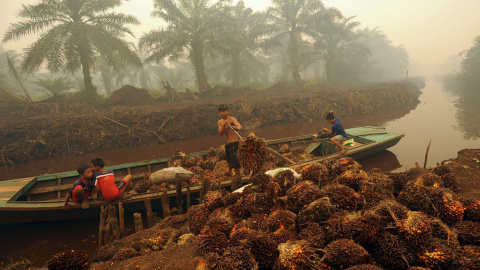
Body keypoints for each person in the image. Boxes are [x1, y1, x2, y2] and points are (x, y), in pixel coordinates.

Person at [217, 104, 243, 176]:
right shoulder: (220, 122)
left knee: (235, 162)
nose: (222, 113)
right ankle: (230, 171)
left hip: (234, 143)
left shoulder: (232, 119)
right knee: (228, 159)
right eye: (220, 111)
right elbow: (220, 134)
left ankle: (238, 176)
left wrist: (236, 128)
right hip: (228, 143)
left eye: (223, 111)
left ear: (227, 111)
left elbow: (240, 126)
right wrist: (224, 126)